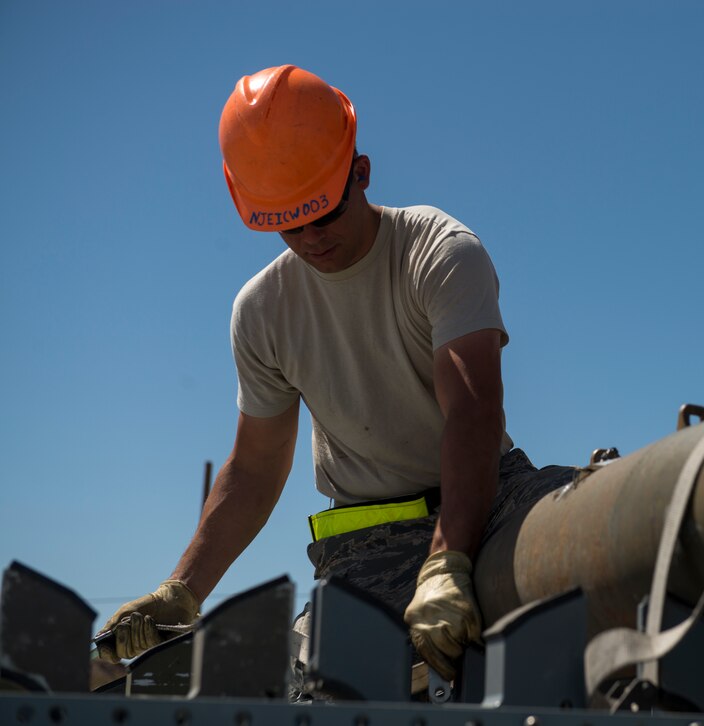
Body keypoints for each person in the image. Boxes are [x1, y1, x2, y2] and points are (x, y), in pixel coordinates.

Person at [96, 65, 574, 686]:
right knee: (326, 690)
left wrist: (448, 560)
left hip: (489, 500)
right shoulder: (263, 311)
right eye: (288, 226)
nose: (311, 239)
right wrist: (181, 590)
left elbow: (474, 412)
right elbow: (256, 469)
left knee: (593, 557)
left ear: (362, 172)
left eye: (323, 213)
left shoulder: (438, 251)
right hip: (367, 542)